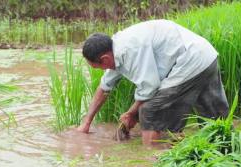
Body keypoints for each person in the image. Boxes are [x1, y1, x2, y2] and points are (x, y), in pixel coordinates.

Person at [77, 20, 229, 145]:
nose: (100, 70)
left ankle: (151, 162)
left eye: (97, 67)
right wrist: (86, 122)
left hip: (189, 60)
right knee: (215, 121)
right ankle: (227, 152)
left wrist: (131, 114)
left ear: (105, 59)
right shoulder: (116, 48)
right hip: (206, 56)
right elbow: (104, 88)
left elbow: (150, 88)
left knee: (150, 111)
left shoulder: (130, 50)